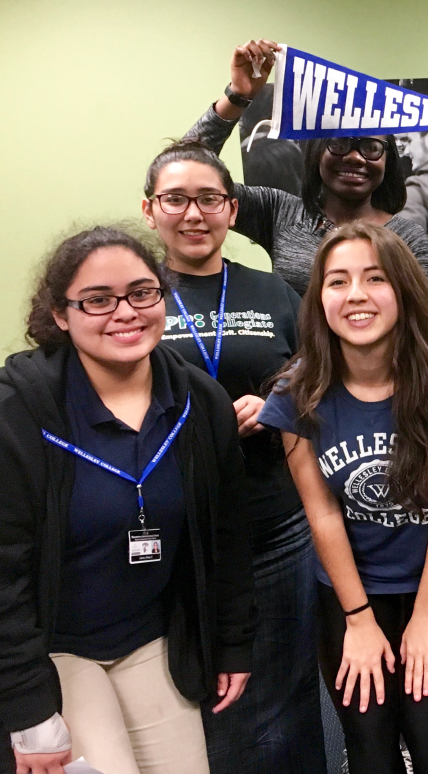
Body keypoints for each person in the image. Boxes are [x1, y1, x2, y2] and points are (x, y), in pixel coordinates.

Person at [0, 226, 256, 774]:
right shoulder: (7, 422)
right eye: (97, 300)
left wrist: (231, 643)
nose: (125, 312)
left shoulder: (201, 402)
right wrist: (28, 712)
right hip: (50, 649)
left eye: (142, 292)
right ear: (61, 314)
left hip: (148, 638)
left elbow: (227, 536)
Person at [257, 223, 428, 773]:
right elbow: (322, 512)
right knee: (367, 730)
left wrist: (427, 612)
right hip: (351, 580)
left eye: (374, 278)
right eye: (337, 281)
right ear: (320, 300)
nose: (356, 294)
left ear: (403, 292)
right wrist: (358, 620)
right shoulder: (297, 391)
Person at [140, 140, 326, 774]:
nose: (194, 214)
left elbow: (318, 366)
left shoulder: (270, 288)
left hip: (272, 520)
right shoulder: (135, 297)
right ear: (150, 209)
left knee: (284, 686)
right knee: (187, 685)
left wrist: (275, 398)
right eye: (176, 199)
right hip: (169, 525)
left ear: (230, 208)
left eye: (210, 199)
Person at [183, 39, 428, 294]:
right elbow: (185, 170)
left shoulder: (407, 238)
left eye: (370, 147)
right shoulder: (280, 213)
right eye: (339, 143)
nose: (355, 157)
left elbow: (416, 321)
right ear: (317, 152)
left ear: (387, 160)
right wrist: (238, 95)